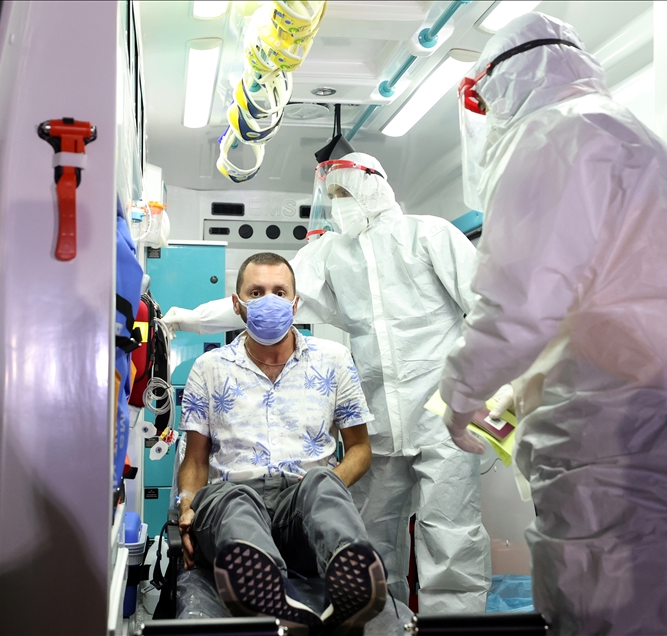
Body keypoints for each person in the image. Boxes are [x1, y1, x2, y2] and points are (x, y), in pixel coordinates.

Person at [439, 12, 667, 635]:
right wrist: (521, 391)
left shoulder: (548, 136)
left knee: (597, 622)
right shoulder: (645, 144)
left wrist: (460, 396)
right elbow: (612, 300)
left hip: (616, 440)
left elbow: (518, 302)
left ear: (499, 84)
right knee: (641, 618)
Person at [165, 152, 492, 613]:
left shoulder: (430, 235)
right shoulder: (331, 254)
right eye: (332, 195)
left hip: (444, 409)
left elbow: (487, 305)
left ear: (374, 185)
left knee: (450, 530)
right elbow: (259, 296)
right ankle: (382, 620)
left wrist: (492, 384)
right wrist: (187, 318)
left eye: (345, 192)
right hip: (379, 419)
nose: (339, 203)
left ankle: (456, 629)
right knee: (373, 536)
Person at [176, 252, 387, 634]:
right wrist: (187, 507)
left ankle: (355, 579)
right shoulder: (209, 368)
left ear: (295, 302)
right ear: (237, 304)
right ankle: (266, 590)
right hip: (232, 509)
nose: (268, 301)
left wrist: (328, 484)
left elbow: (359, 449)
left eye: (279, 292)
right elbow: (195, 460)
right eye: (256, 292)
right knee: (230, 497)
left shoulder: (333, 360)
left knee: (322, 482)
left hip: (301, 510)